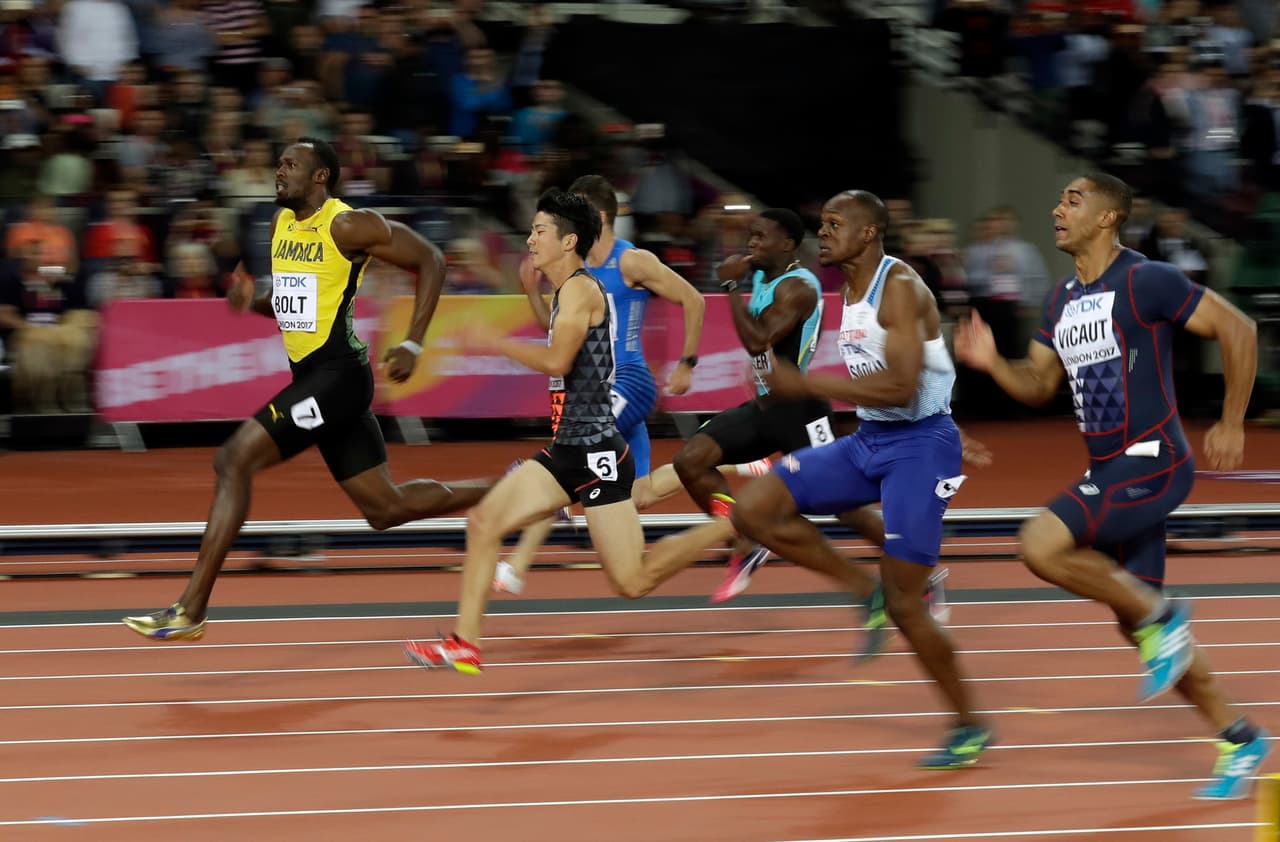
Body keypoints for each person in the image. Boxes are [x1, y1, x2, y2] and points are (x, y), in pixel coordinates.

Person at [954, 172, 1271, 800]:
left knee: (1040, 544)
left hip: (1153, 461)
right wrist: (993, 365)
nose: (1056, 208)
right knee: (1139, 627)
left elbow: (1240, 330)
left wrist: (1233, 419)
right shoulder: (1061, 299)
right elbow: (1039, 386)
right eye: (1059, 198)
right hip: (1110, 472)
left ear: (1108, 217)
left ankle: (1163, 616)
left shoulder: (1145, 278)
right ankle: (1238, 738)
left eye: (1072, 199)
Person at [123, 137, 496, 641]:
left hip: (337, 378)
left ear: (320, 176)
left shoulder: (348, 224)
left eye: (291, 165)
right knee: (386, 509)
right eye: (278, 163)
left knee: (232, 460)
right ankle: (518, 487)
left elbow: (431, 258)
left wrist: (413, 342)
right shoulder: (281, 225)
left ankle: (191, 609)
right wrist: (250, 297)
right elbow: (290, 300)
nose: (279, 171)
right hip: (316, 380)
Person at [403, 189, 738, 673]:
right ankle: (464, 643)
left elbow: (558, 360)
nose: (530, 239)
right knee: (483, 523)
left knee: (632, 581)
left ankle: (730, 524)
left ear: (569, 241)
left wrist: (496, 342)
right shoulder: (565, 293)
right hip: (567, 449)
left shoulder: (581, 291)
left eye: (539, 231)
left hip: (598, 452)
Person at [722, 190, 991, 769]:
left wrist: (806, 385)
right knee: (754, 509)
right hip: (872, 441)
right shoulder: (849, 289)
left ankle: (969, 724)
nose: (823, 233)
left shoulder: (900, 287)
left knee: (908, 605)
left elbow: (900, 386)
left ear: (869, 234)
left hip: (918, 451)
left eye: (835, 225)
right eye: (821, 224)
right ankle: (860, 588)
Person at [497, 173, 707, 589]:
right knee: (641, 492)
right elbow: (556, 336)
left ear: (601, 215)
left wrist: (687, 362)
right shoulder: (571, 272)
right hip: (599, 388)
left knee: (570, 453)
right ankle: (726, 460)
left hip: (629, 380)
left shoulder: (631, 260)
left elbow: (694, 299)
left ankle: (518, 563)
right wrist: (530, 291)